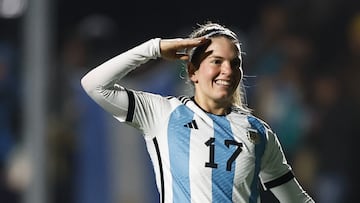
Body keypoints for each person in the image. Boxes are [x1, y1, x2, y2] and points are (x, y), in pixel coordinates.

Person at [80, 21, 315, 203]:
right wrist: (155, 48)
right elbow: (94, 84)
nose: (227, 70)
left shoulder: (257, 132)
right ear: (193, 70)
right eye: (216, 61)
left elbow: (297, 199)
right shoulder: (162, 114)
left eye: (235, 63)